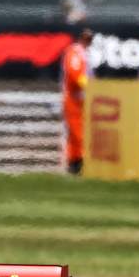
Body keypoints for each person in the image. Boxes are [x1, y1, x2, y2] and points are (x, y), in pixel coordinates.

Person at [60, 29, 94, 175]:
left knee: (78, 133)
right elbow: (74, 73)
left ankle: (75, 163)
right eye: (86, 38)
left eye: (90, 39)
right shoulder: (75, 51)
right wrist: (89, 85)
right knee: (78, 133)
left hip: (81, 99)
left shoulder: (84, 53)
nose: (88, 41)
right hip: (73, 98)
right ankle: (78, 162)